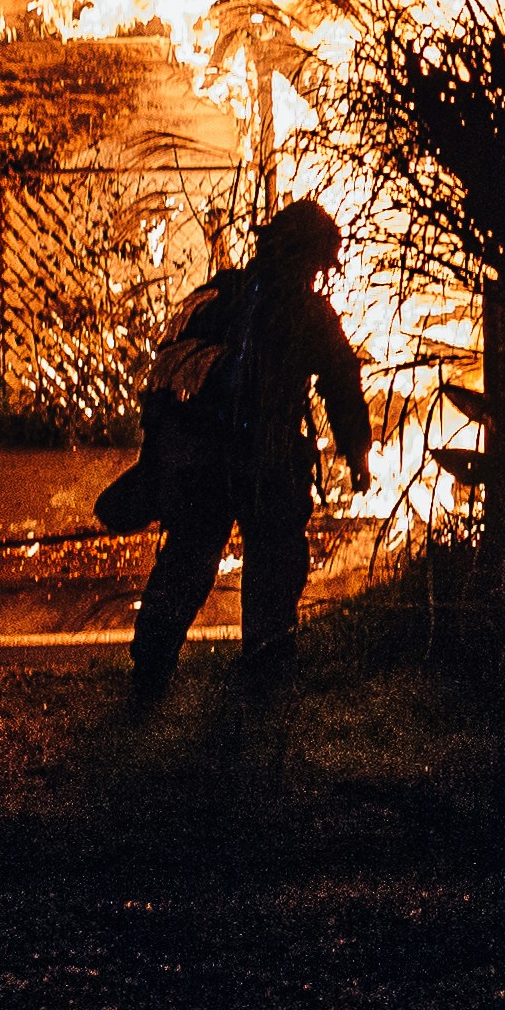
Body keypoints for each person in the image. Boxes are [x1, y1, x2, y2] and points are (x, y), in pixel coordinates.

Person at [127, 199, 373, 708]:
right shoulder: (308, 312)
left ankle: (149, 674)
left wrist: (160, 459)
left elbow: (165, 378)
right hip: (270, 463)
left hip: (203, 463)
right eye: (319, 265)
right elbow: (342, 384)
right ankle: (263, 679)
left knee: (186, 564)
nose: (320, 276)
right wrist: (356, 453)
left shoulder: (215, 296)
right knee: (275, 567)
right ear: (308, 260)